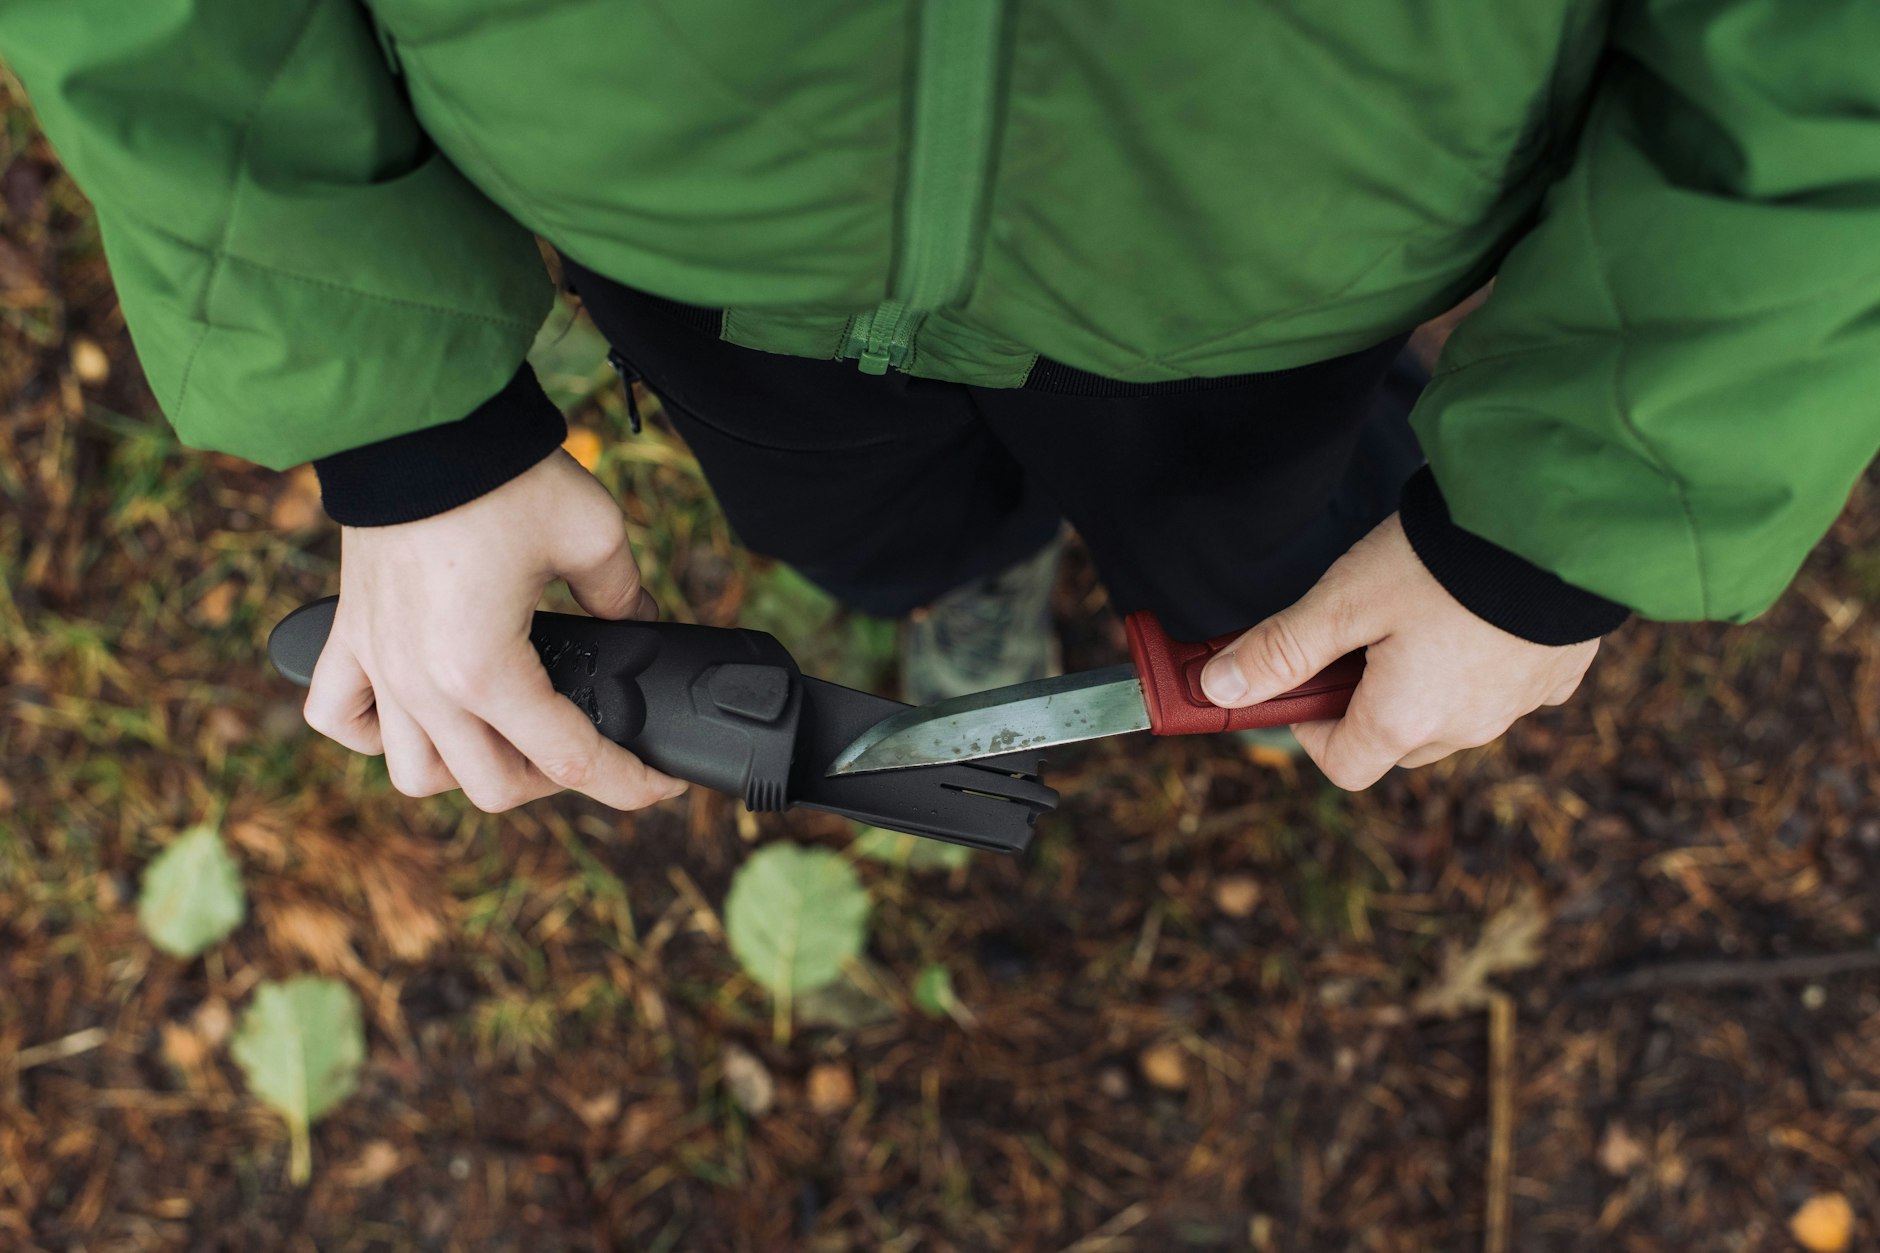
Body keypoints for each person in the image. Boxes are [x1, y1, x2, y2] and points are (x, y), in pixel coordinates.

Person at [3, 2, 1874, 817]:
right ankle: (958, 573)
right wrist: (403, 418)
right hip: (716, 250)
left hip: (1269, 269)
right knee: (858, 513)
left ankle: (1275, 601)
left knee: (1256, 519)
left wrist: (1559, 520)